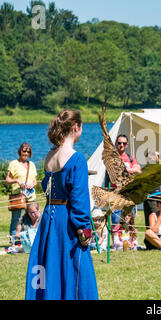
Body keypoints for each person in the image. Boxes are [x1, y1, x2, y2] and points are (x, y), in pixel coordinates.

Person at [25, 109, 98, 300]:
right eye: (82, 127)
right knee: (77, 271)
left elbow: (46, 187)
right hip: (67, 220)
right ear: (76, 127)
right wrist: (85, 229)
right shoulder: (77, 159)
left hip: (49, 218)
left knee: (50, 267)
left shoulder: (50, 156)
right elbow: (79, 200)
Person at [106, 134, 142, 229]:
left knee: (130, 222)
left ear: (127, 145)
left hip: (129, 195)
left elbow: (139, 170)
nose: (121, 145)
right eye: (119, 143)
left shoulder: (130, 157)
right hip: (116, 194)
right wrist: (131, 169)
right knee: (116, 222)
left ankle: (130, 242)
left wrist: (127, 170)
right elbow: (117, 172)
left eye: (124, 143)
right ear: (116, 144)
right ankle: (117, 243)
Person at [5, 142, 38, 237]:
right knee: (16, 219)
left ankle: (30, 239)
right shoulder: (13, 164)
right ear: (20, 151)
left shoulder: (32, 164)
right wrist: (17, 181)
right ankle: (14, 241)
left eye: (28, 152)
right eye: (24, 151)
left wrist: (33, 184)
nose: (26, 153)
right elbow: (7, 180)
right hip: (18, 197)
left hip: (31, 196)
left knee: (34, 217)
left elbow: (35, 181)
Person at [143, 151, 161, 229]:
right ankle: (149, 239)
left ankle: (157, 238)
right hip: (146, 198)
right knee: (148, 223)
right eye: (148, 157)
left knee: (155, 220)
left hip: (155, 198)